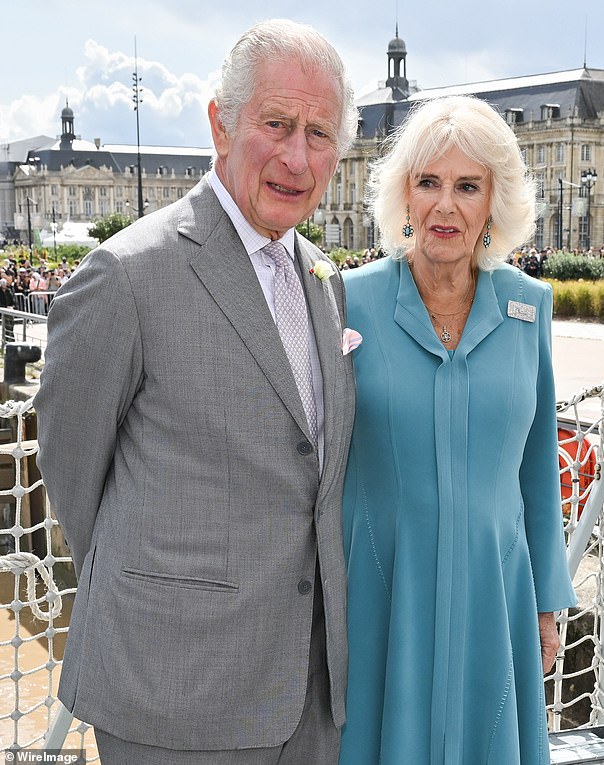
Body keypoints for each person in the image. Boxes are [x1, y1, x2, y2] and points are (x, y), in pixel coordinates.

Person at [34, 18, 358, 765]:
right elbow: (73, 474)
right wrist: (162, 599)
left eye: (319, 133)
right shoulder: (127, 276)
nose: (297, 156)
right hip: (175, 694)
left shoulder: (322, 274)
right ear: (220, 122)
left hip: (309, 693)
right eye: (276, 123)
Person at [338, 95, 576, 765]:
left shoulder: (530, 306)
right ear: (404, 195)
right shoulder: (349, 299)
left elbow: (537, 464)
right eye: (429, 182)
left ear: (493, 202)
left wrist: (548, 599)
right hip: (384, 593)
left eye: (467, 186)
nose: (446, 205)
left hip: (494, 594)